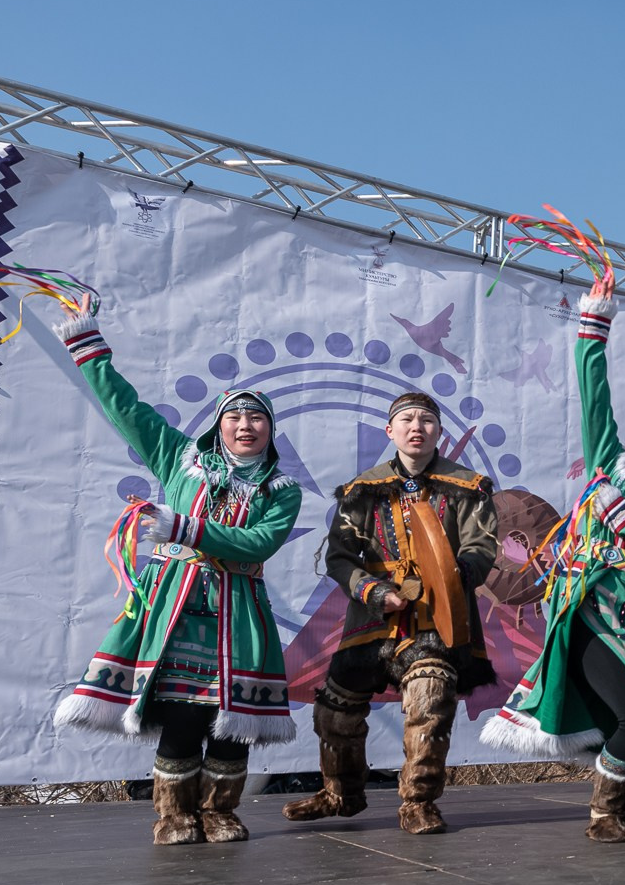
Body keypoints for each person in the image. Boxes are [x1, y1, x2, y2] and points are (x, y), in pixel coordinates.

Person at [50, 302, 299, 845]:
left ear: (269, 431)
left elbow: (261, 542)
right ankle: (173, 814)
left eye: (256, 417)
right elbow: (126, 410)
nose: (245, 424)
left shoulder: (282, 490)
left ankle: (220, 812)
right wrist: (88, 344)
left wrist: (183, 528)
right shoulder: (180, 458)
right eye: (235, 415)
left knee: (232, 724)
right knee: (183, 714)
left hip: (238, 612)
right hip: (176, 606)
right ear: (218, 425)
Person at [481, 272, 625, 839]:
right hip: (595, 609)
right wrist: (594, 326)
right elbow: (595, 396)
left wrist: (622, 518)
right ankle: (605, 814)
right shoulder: (612, 466)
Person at [283, 393, 499, 834]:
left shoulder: (468, 487)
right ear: (391, 431)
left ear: (439, 431)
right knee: (334, 710)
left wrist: (448, 576)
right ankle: (340, 795)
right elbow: (340, 559)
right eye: (406, 419)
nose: (416, 426)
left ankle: (418, 802)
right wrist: (374, 591)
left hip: (437, 615)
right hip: (373, 616)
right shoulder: (362, 490)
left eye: (426, 420)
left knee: (429, 697)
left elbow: (481, 548)